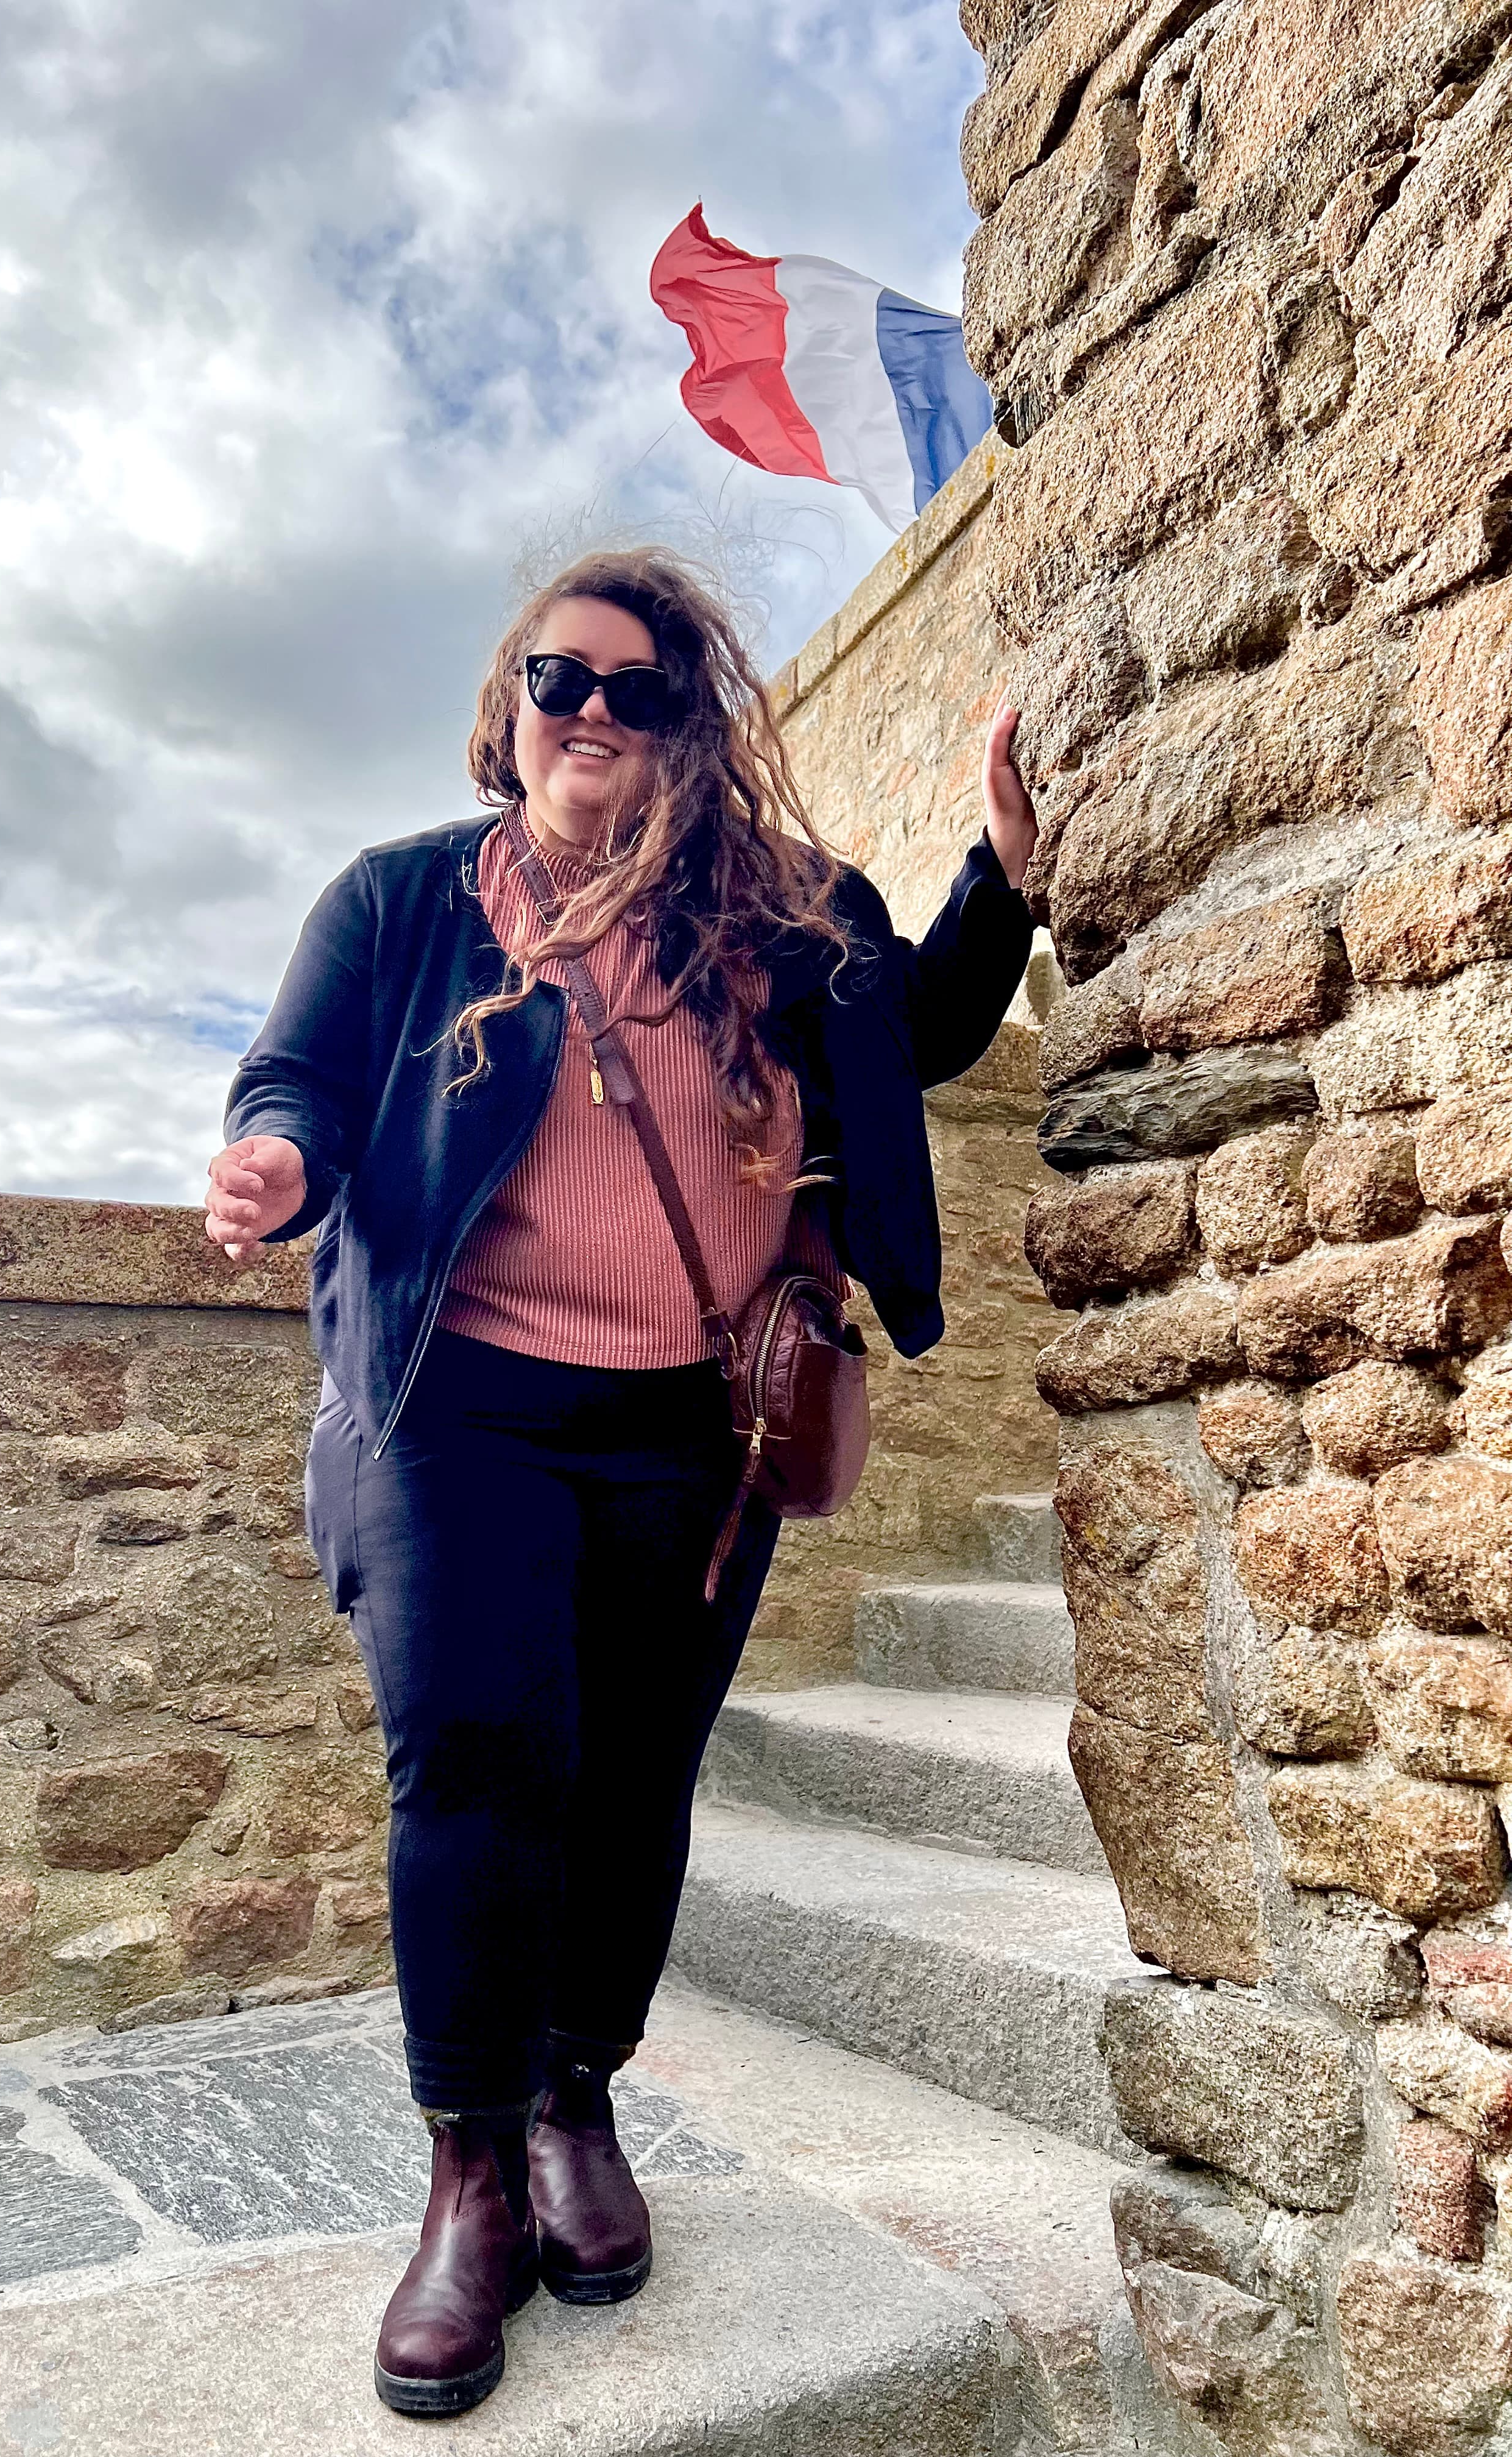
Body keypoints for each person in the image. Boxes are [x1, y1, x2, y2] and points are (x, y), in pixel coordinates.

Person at [203, 547, 1037, 2420]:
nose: (596, 716)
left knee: (637, 1766)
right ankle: (472, 2181)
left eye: (642, 693)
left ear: (690, 734)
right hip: (460, 1404)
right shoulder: (411, 898)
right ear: (511, 706)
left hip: (687, 1424)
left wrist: (1008, 877)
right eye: (563, 682)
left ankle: (580, 2099)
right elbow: (299, 1077)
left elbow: (921, 1042)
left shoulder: (781, 917)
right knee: (478, 1759)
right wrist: (272, 1160)